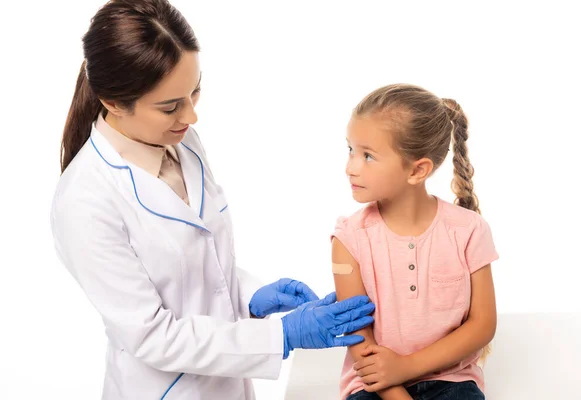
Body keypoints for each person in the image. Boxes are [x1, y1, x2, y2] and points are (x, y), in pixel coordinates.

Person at [50, 1, 375, 398]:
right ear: (114, 102)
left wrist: (251, 295)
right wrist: (283, 335)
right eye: (170, 106)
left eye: (195, 91)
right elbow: (153, 336)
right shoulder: (85, 200)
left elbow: (193, 264)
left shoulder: (180, 140)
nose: (190, 117)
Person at [331, 84, 499, 399]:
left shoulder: (469, 231)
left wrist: (406, 366)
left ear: (417, 170)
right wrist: (397, 388)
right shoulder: (348, 238)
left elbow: (482, 324)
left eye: (368, 156)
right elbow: (359, 337)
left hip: (453, 383)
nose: (350, 167)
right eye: (350, 149)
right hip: (375, 386)